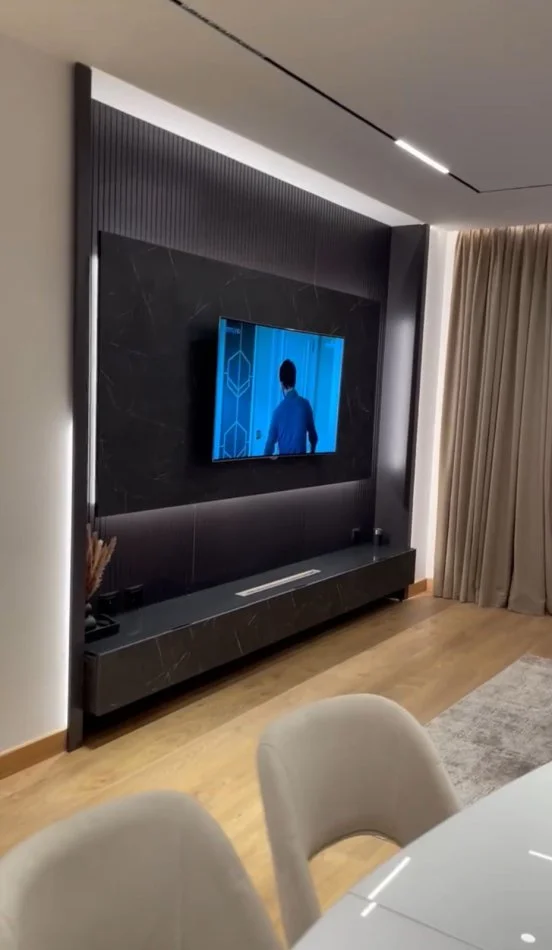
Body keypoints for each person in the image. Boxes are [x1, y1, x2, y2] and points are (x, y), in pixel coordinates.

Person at [264, 359, 318, 456]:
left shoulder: (277, 412)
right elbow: (313, 437)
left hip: (284, 464)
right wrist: (312, 453)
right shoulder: (305, 405)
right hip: (302, 463)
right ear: (294, 380)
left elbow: (269, 447)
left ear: (281, 383)